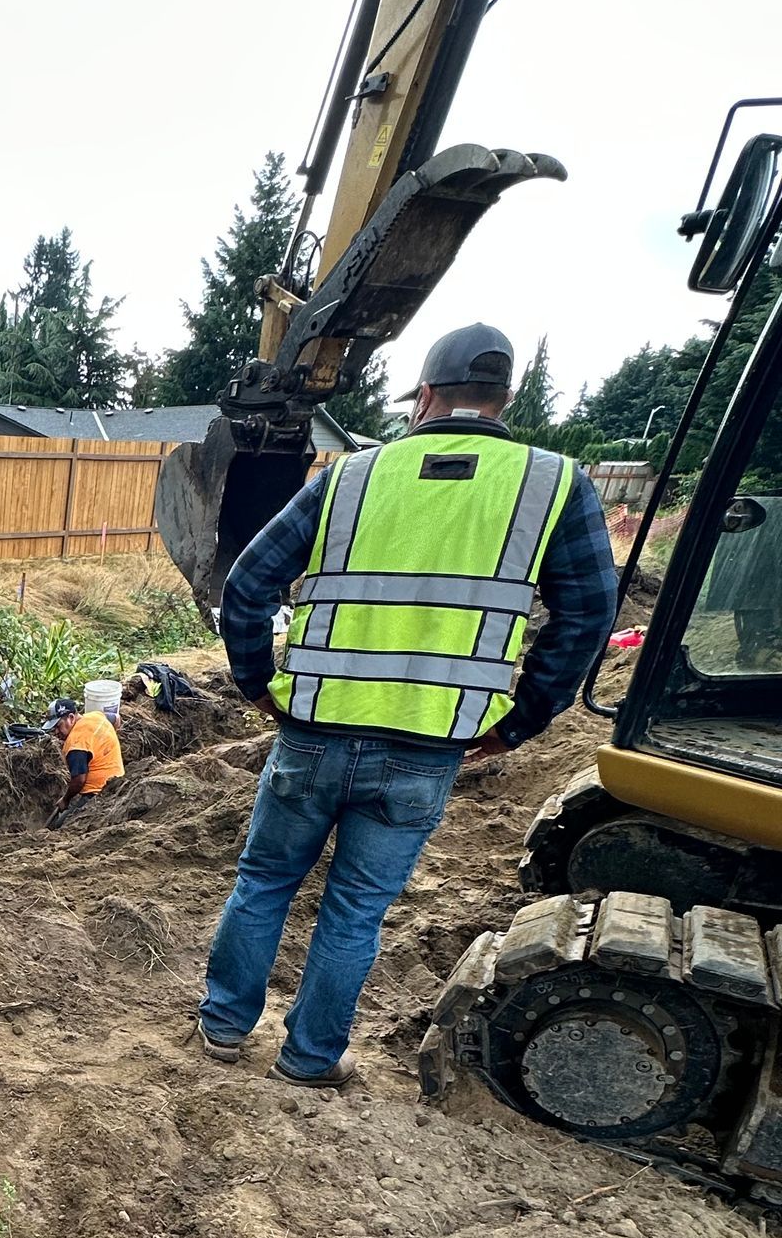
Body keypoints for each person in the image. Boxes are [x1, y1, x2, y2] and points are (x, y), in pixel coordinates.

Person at [198, 322, 617, 1088]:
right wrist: (519, 720)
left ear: (424, 396)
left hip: (315, 733)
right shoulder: (554, 485)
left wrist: (258, 683)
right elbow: (590, 613)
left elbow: (248, 583)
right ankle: (308, 1059)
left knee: (263, 881)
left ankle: (224, 1028)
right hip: (427, 747)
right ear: (505, 399)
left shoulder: (351, 477)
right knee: (354, 912)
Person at [45, 696, 125, 825]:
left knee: (61, 825)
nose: (55, 732)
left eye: (58, 726)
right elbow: (116, 719)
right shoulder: (95, 716)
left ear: (71, 718)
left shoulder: (76, 744)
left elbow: (79, 781)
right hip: (119, 780)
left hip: (98, 792)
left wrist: (65, 800)